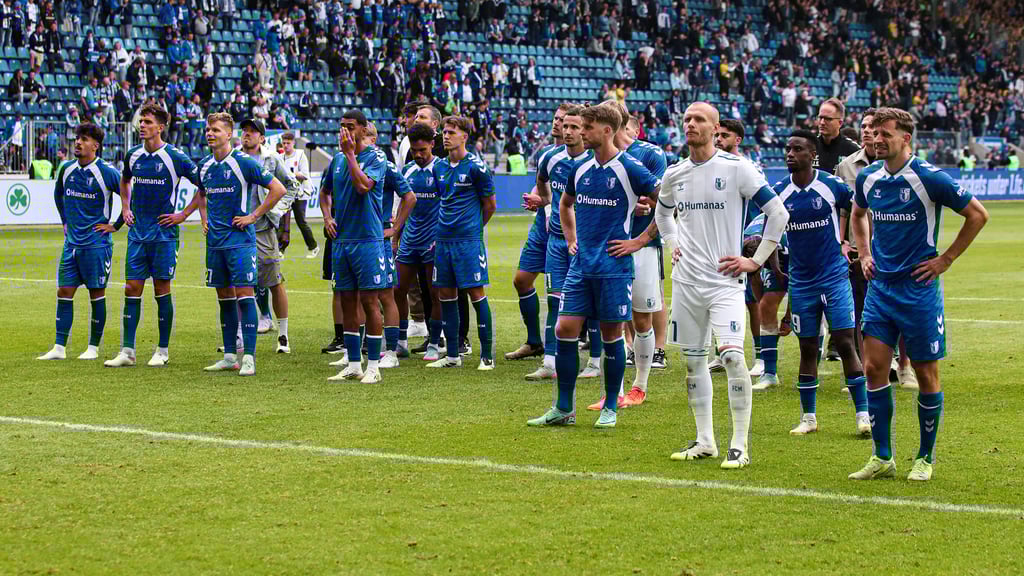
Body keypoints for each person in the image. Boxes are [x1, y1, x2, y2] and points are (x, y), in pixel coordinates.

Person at [849, 107, 989, 482]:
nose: (877, 140)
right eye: (873, 133)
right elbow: (857, 213)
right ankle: (882, 456)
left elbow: (977, 214)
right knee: (875, 368)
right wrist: (864, 253)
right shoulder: (868, 177)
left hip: (919, 289)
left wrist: (946, 259)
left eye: (885, 134)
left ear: (905, 138)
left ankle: (925, 457)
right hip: (881, 288)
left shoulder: (929, 177)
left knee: (926, 374)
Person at [653, 102, 790, 469]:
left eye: (699, 119)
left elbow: (778, 213)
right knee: (693, 363)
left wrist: (756, 260)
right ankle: (705, 441)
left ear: (716, 129)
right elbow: (662, 213)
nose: (690, 124)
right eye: (686, 119)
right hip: (686, 284)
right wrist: (672, 243)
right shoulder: (675, 173)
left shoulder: (737, 169)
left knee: (731, 357)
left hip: (725, 283)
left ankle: (740, 445)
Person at [526, 103, 658, 429]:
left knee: (612, 335)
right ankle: (563, 408)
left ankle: (611, 405)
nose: (581, 132)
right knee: (564, 329)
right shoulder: (580, 167)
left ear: (607, 130)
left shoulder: (630, 167)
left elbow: (667, 200)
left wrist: (640, 240)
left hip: (614, 266)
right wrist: (571, 237)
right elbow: (564, 203)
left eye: (587, 127)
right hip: (581, 265)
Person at [772, 130, 870, 436]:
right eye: (787, 148)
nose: (790, 153)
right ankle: (809, 418)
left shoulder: (830, 186)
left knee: (845, 343)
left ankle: (864, 415)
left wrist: (849, 242)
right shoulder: (779, 193)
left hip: (834, 277)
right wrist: (776, 268)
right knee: (808, 348)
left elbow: (859, 209)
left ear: (812, 155)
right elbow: (768, 231)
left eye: (797, 149)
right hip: (801, 282)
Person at [102, 104, 201, 368]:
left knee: (161, 289)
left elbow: (204, 184)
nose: (141, 125)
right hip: (137, 234)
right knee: (131, 288)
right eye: (140, 121)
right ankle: (128, 351)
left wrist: (183, 214)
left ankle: (162, 349)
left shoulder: (175, 157)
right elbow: (124, 181)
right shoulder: (133, 155)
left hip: (164, 235)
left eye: (147, 121)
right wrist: (125, 207)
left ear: (161, 126)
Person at [196, 112, 287, 377]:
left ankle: (248, 356)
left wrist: (254, 216)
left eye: (215, 130)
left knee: (245, 296)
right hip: (215, 244)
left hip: (240, 243)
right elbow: (201, 194)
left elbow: (278, 189)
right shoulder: (204, 166)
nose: (210, 134)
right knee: (224, 299)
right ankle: (228, 356)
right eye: (208, 130)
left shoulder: (243, 162)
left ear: (229, 134)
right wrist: (204, 219)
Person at [597, 102, 668, 409]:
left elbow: (664, 200)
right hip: (609, 247)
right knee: (608, 321)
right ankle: (612, 391)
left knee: (642, 318)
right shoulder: (595, 158)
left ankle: (640, 386)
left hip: (643, 247)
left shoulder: (650, 154)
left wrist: (641, 233)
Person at [38, 123, 121, 361]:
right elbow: (58, 194)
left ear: (95, 146)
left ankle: (93, 347)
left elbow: (129, 195)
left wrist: (115, 225)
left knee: (96, 293)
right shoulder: (67, 169)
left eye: (83, 139)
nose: (78, 143)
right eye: (77, 138)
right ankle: (59, 347)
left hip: (96, 245)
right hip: (71, 244)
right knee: (64, 291)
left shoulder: (106, 171)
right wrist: (65, 221)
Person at [522, 103, 592, 383]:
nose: (568, 131)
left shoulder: (593, 160)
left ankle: (596, 361)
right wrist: (549, 202)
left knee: (593, 305)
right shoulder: (550, 157)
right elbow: (542, 183)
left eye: (574, 126)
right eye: (565, 126)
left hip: (588, 243)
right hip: (556, 241)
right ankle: (551, 361)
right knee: (554, 301)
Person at [320, 109, 389, 384]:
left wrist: (350, 154)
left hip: (368, 240)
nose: (345, 132)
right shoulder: (335, 160)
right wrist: (327, 217)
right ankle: (352, 364)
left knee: (369, 301)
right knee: (347, 302)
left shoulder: (376, 157)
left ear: (363, 129)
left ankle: (373, 365)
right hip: (343, 241)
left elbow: (363, 187)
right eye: (342, 126)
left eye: (350, 126)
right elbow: (324, 193)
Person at [426, 115, 497, 370]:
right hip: (443, 241)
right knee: (446, 295)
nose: (446, 136)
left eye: (451, 132)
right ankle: (453, 355)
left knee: (476, 294)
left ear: (464, 136)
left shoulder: (476, 167)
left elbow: (490, 205)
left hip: (467, 242)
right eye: (444, 132)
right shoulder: (439, 167)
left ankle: (487, 356)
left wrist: (473, 229)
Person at [505, 104, 567, 363]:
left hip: (564, 230)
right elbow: (543, 183)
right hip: (541, 228)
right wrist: (535, 197)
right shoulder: (548, 154)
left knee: (561, 292)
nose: (556, 124)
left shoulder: (582, 156)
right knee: (522, 280)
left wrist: (544, 199)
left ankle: (569, 346)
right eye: (555, 118)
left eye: (563, 121)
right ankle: (534, 342)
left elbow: (572, 194)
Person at [238, 118, 298, 354]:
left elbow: (291, 186)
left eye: (252, 132)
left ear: (262, 138)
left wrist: (276, 211)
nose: (247, 135)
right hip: (238, 228)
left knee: (274, 281)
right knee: (238, 284)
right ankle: (240, 336)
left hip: (263, 228)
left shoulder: (271, 158)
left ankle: (283, 336)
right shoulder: (233, 157)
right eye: (244, 131)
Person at [714, 119, 764, 377]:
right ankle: (723, 352)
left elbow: (763, 208)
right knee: (716, 298)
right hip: (718, 244)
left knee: (753, 301)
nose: (719, 139)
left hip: (744, 243)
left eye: (725, 135)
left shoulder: (747, 168)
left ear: (738, 140)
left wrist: (751, 238)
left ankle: (761, 356)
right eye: (717, 134)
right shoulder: (711, 166)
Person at [365, 122, 416, 367]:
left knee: (386, 294)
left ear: (372, 139)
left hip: (378, 240)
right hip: (355, 239)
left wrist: (395, 228)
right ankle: (354, 350)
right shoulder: (344, 161)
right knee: (354, 294)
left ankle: (393, 351)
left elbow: (409, 196)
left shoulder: (385, 166)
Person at [814, 97, 861, 362]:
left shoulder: (851, 150)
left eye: (827, 118)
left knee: (843, 285)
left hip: (840, 227)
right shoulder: (810, 146)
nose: (822, 122)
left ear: (840, 122)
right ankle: (819, 337)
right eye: (820, 117)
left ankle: (838, 339)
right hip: (811, 226)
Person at [396, 123, 444, 362]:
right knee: (397, 290)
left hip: (433, 241)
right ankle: (401, 341)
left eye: (423, 150)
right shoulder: (406, 171)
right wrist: (396, 236)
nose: (418, 154)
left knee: (434, 294)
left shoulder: (441, 170)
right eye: (415, 150)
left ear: (432, 145)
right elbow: (402, 206)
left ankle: (435, 343)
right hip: (409, 239)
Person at [277, 132, 319, 259]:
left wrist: (290, 174)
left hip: (300, 193)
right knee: (282, 222)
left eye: (288, 143)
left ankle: (313, 247)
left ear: (293, 143)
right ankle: (281, 250)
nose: (286, 146)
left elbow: (304, 174)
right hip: (287, 194)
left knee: (301, 222)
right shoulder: (281, 157)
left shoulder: (300, 155)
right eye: (284, 143)